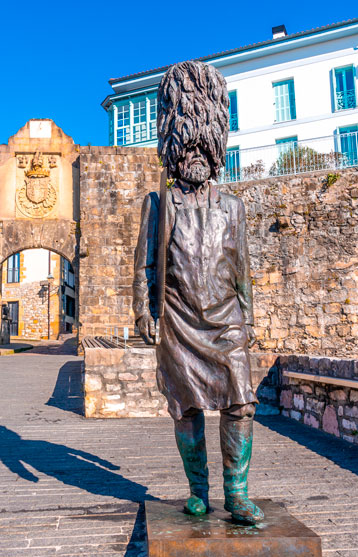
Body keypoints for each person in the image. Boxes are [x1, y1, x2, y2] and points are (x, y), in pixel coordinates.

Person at [132, 60, 263, 525]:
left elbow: (242, 270)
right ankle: (198, 491)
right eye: (186, 148)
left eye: (202, 148)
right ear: (174, 147)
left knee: (241, 403)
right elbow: (146, 262)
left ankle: (238, 493)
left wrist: (249, 319)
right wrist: (144, 312)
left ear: (215, 147)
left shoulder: (234, 207)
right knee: (186, 408)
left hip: (226, 321)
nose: (195, 157)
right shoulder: (160, 204)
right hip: (179, 319)